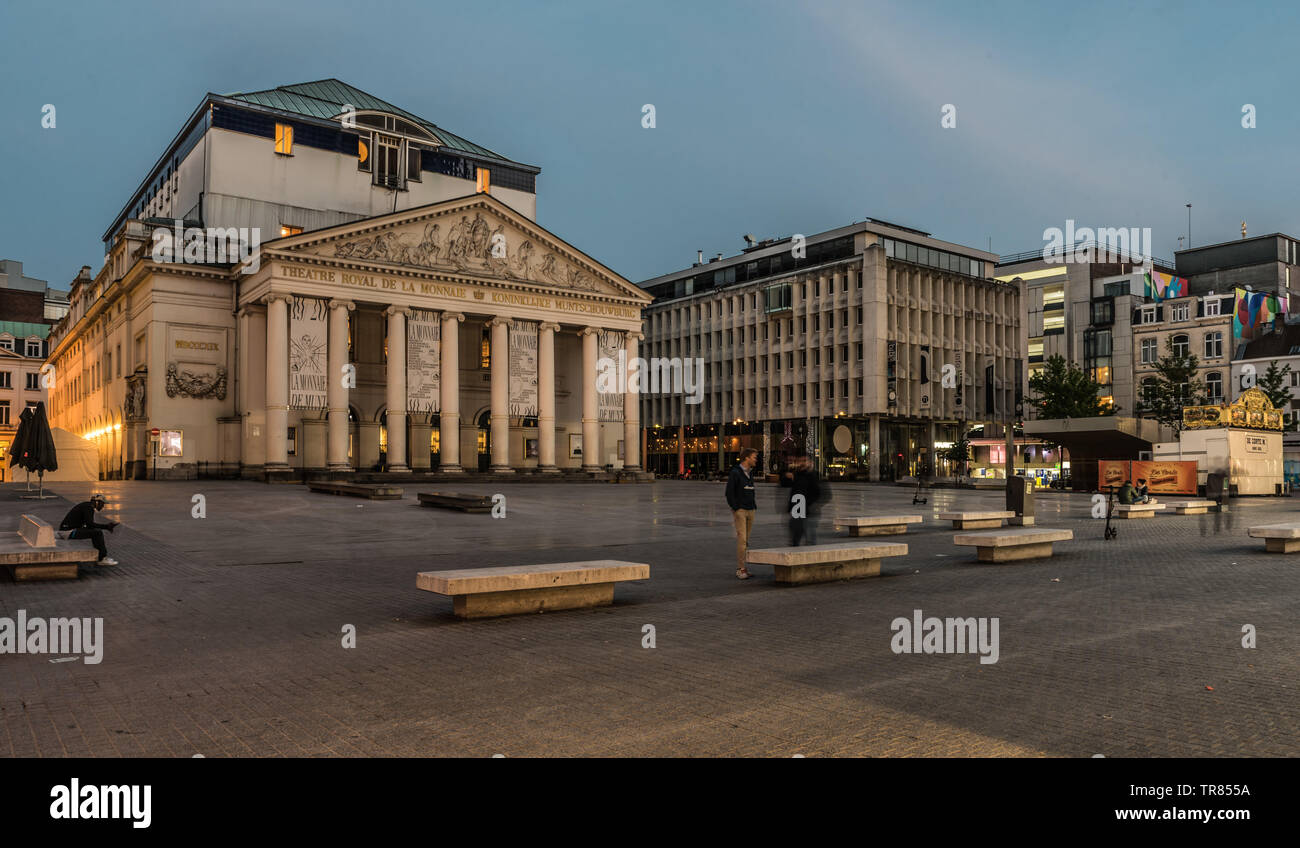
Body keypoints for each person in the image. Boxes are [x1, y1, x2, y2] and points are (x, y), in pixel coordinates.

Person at [725, 448, 759, 580]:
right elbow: (729, 493)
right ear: (746, 458)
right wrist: (736, 508)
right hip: (741, 510)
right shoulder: (735, 473)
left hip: (751, 509)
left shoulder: (750, 473)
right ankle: (740, 569)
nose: (756, 460)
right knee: (742, 540)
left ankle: (744, 567)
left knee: (746, 541)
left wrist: (753, 506)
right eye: (754, 457)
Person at [58, 493, 119, 565]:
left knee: (95, 532)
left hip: (67, 530)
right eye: (102, 504)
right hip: (67, 532)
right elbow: (90, 524)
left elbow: (89, 525)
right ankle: (102, 558)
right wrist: (107, 527)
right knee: (97, 533)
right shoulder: (89, 508)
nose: (103, 506)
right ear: (97, 502)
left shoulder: (87, 506)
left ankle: (101, 557)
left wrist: (106, 527)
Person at [780, 454, 822, 546]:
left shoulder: (814, 475)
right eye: (800, 461)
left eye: (804, 461)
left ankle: (811, 557)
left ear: (810, 463)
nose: (802, 463)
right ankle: (795, 554)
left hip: (809, 511)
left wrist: (811, 505)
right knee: (795, 537)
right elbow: (784, 484)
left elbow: (819, 493)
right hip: (796, 510)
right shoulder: (796, 474)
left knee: (810, 537)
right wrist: (786, 476)